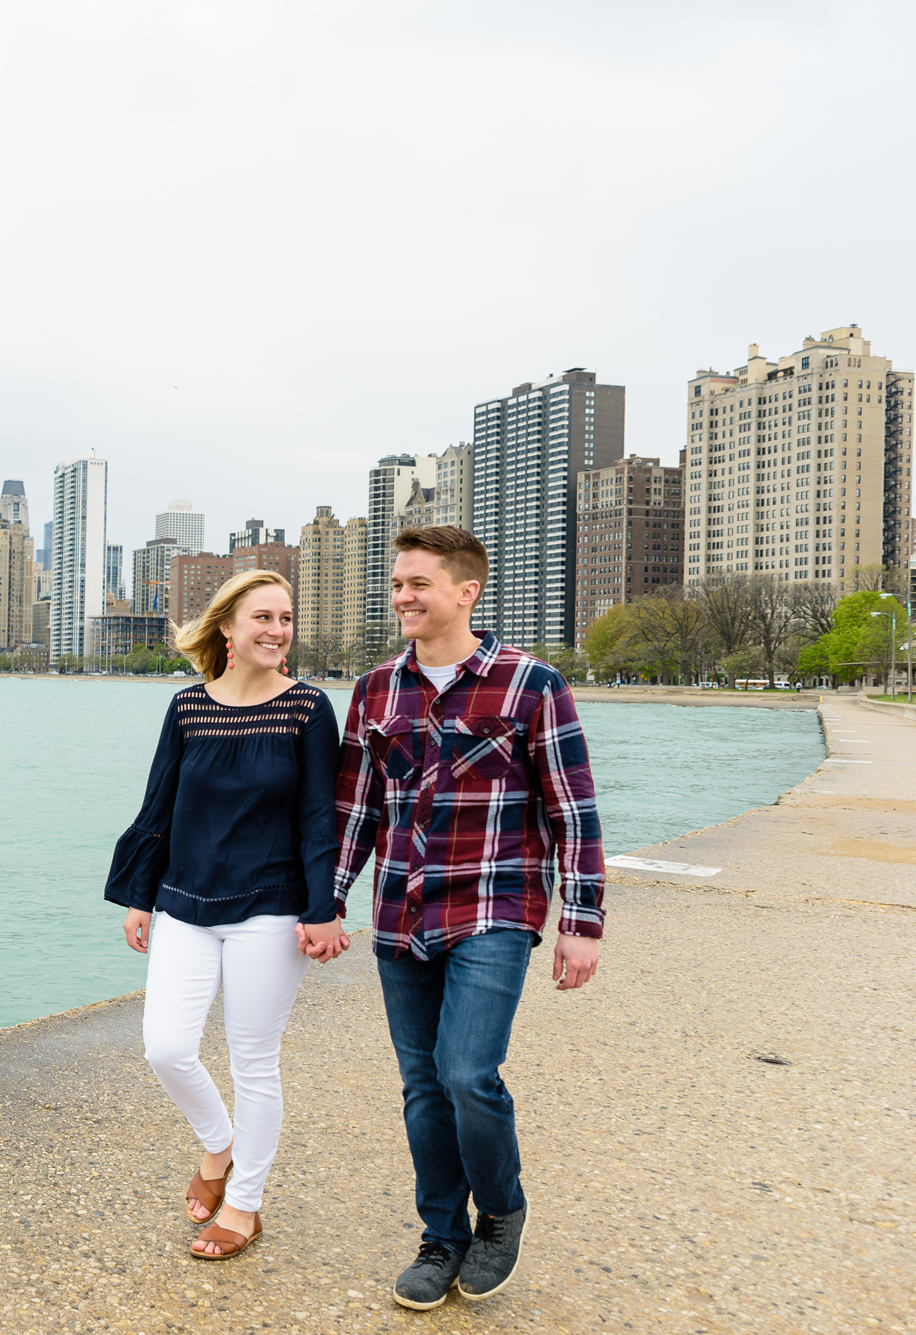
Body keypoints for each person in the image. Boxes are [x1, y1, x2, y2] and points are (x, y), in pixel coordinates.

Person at [330, 526, 604, 1310]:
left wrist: (582, 921)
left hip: (495, 905)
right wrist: (329, 898)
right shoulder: (377, 688)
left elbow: (573, 812)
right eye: (397, 583)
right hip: (400, 910)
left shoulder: (532, 684)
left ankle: (501, 1213)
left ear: (466, 591)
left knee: (465, 1072)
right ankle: (441, 1234)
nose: (403, 596)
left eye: (418, 582)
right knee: (422, 1086)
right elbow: (355, 809)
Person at [104, 570, 349, 1262]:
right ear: (227, 630)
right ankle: (219, 1145)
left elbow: (315, 818)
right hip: (185, 901)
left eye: (286, 618)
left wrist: (322, 908)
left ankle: (245, 1203)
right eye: (263, 617)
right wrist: (139, 894)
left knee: (254, 1061)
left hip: (269, 910)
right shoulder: (186, 708)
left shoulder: (307, 708)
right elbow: (159, 807)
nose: (278, 630)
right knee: (166, 1047)